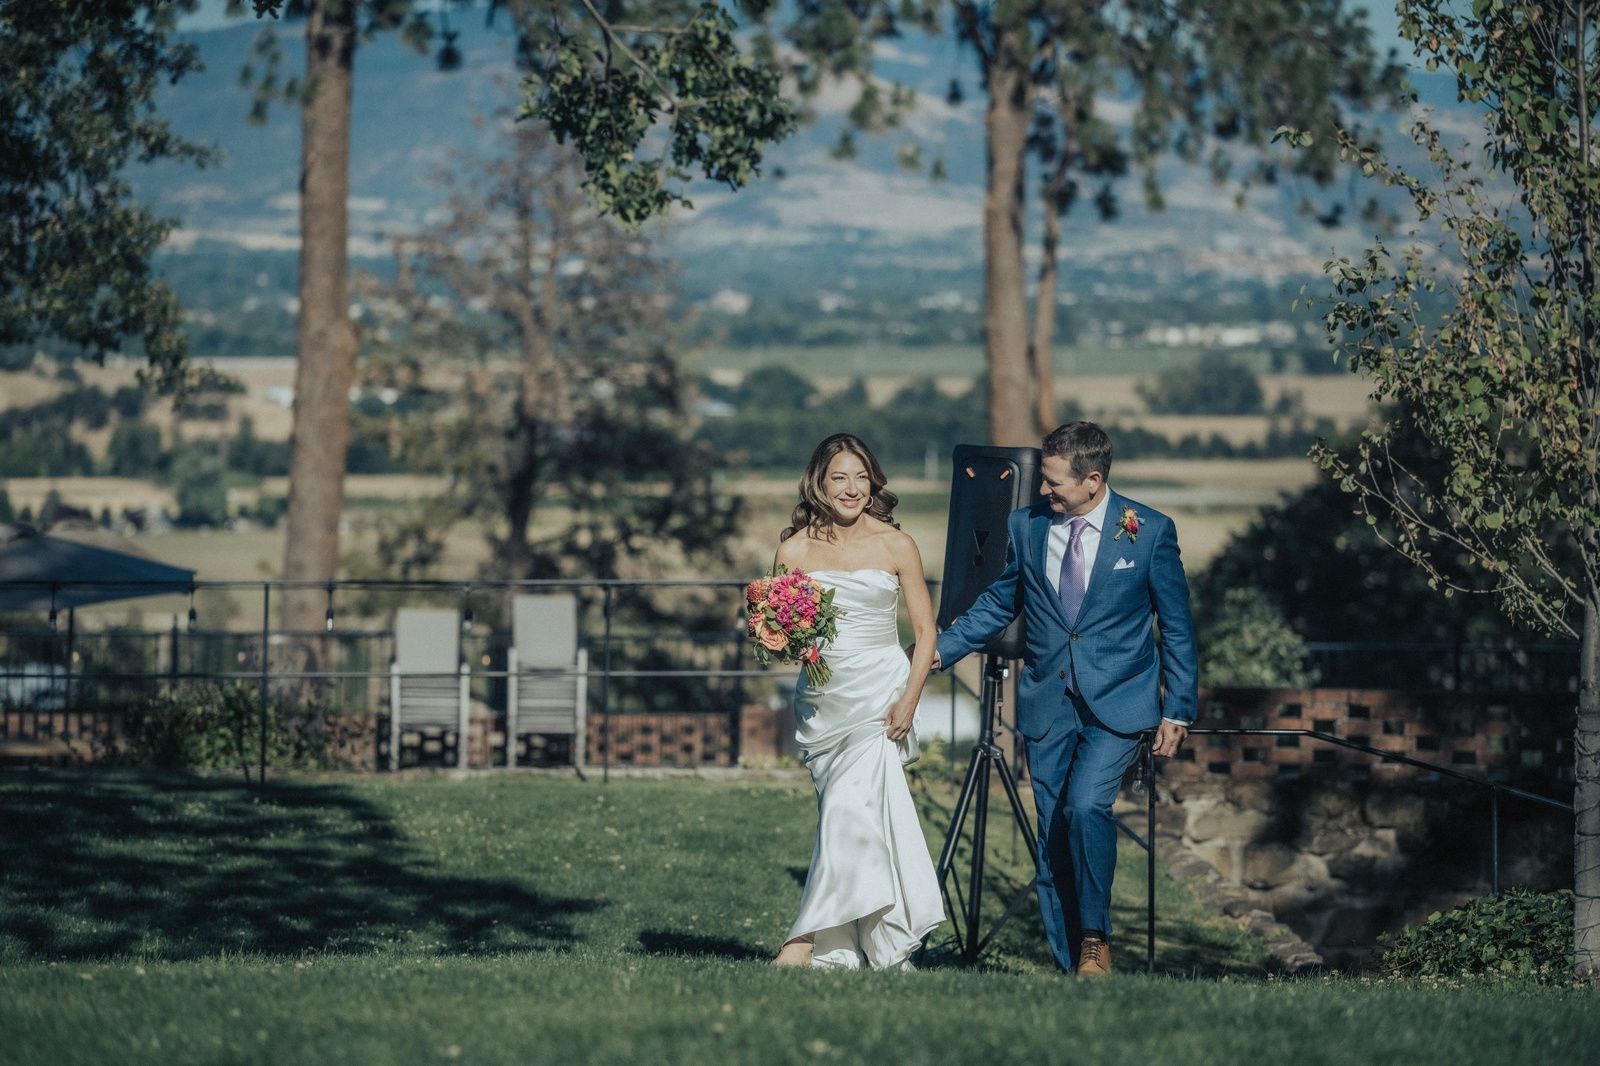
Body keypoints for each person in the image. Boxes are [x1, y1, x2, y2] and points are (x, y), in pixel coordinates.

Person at [932, 421, 1197, 977]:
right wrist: (936, 652)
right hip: (1046, 705)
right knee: (1053, 834)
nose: (1043, 491)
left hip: (1120, 704)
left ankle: (1096, 940)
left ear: (1093, 480)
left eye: (1053, 483)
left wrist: (1178, 708)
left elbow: (1176, 627)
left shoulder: (1148, 531)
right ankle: (1069, 964)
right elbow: (996, 605)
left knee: (1085, 809)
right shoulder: (1025, 526)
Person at [772, 433, 945, 970]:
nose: (851, 489)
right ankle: (865, 945)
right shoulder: (793, 549)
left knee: (851, 810)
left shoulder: (898, 545)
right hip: (824, 700)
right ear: (819, 484)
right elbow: (784, 632)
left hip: (880, 694)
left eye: (861, 477)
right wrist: (780, 634)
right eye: (839, 478)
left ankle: (803, 942)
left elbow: (926, 632)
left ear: (874, 483)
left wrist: (909, 701)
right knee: (852, 817)